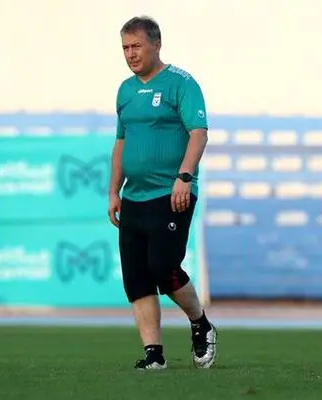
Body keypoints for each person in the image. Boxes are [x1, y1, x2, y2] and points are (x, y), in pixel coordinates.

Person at [107, 15, 217, 370]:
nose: (130, 54)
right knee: (136, 278)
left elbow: (198, 133)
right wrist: (113, 191)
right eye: (125, 47)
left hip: (171, 194)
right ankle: (154, 354)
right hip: (134, 197)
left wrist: (184, 177)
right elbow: (121, 143)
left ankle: (200, 322)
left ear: (156, 44)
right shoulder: (125, 91)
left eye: (136, 46)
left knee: (162, 267)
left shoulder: (181, 84)